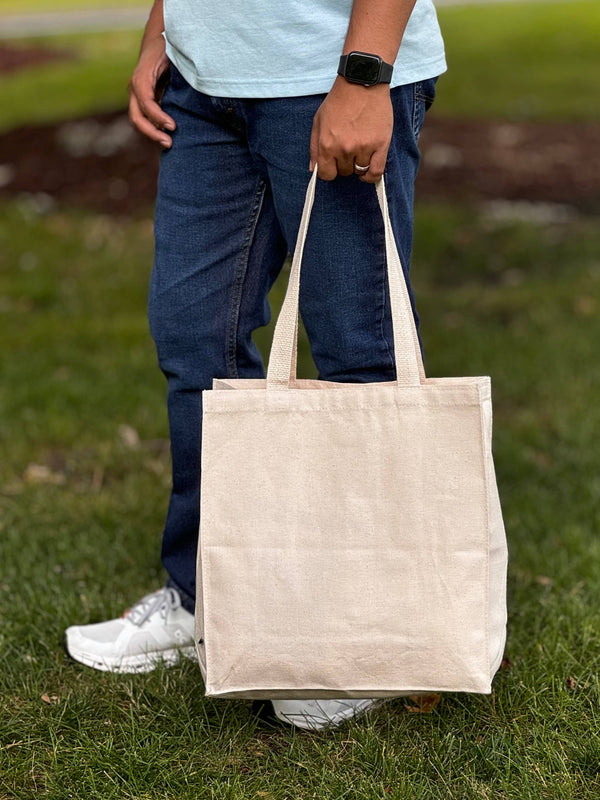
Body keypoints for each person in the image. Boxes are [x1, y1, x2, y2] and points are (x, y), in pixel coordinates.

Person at [65, 0, 446, 730]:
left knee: (356, 350)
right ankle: (210, 598)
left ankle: (366, 638)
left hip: (329, 70)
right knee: (194, 341)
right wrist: (163, 30)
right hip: (204, 83)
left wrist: (364, 76)